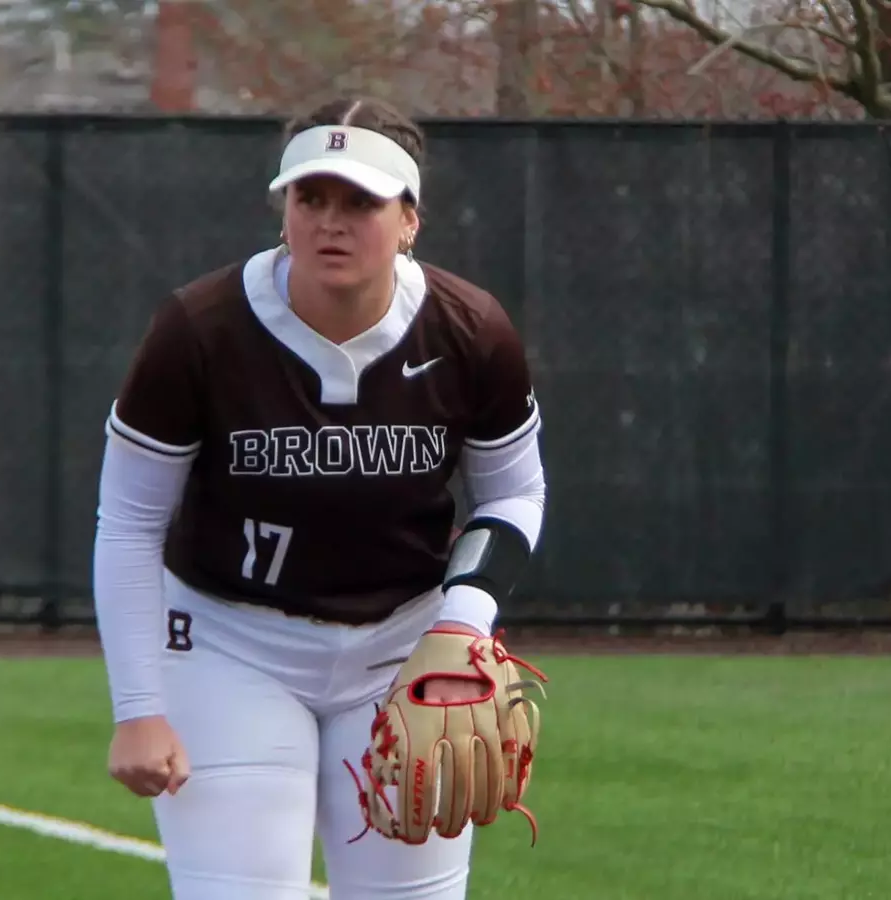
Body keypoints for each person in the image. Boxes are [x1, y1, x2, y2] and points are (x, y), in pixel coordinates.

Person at [91, 95, 548, 900]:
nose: (331, 221)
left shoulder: (470, 330)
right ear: (284, 209)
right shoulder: (201, 330)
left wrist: (460, 627)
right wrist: (138, 707)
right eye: (312, 197)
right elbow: (129, 521)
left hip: (407, 650)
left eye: (360, 201)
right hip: (231, 646)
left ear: (409, 219)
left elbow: (515, 491)